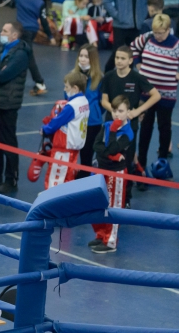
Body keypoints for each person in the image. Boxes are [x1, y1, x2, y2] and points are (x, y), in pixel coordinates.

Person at [99, 46, 161, 194]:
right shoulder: (109, 76)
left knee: (127, 159)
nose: (119, 61)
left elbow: (156, 95)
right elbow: (104, 100)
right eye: (117, 58)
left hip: (129, 125)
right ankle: (105, 193)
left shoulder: (137, 77)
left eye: (123, 58)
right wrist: (116, 112)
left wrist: (138, 111)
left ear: (130, 61)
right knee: (108, 156)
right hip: (111, 124)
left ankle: (126, 196)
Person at [131, 14, 179, 176]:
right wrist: (137, 63)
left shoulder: (175, 44)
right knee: (145, 128)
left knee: (164, 128)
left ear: (168, 30)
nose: (157, 36)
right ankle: (141, 165)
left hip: (166, 94)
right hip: (147, 94)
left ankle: (162, 164)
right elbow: (133, 47)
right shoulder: (147, 37)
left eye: (161, 33)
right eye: (156, 32)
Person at [0, 21, 31, 194]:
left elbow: (3, 75)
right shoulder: (0, 48)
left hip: (8, 103)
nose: (1, 33)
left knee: (8, 142)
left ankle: (11, 179)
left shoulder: (20, 55)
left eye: (5, 31)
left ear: (14, 35)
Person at [89, 96, 134, 254]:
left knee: (114, 206)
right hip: (101, 170)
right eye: (114, 110)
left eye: (121, 111)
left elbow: (114, 147)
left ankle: (111, 241)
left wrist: (114, 130)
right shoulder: (106, 125)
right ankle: (101, 234)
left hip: (117, 173)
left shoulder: (128, 133)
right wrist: (112, 155)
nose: (117, 114)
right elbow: (96, 146)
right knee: (98, 203)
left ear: (128, 112)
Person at [35, 71, 90, 189]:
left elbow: (57, 121)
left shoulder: (72, 106)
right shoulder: (84, 101)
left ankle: (51, 199)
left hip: (64, 147)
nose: (65, 89)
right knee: (68, 177)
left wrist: (45, 129)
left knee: (55, 178)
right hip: (75, 146)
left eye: (67, 87)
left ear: (75, 88)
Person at [102, 0, 150, 69]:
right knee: (117, 52)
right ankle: (107, 73)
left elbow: (147, 2)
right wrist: (116, 15)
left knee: (133, 53)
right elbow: (106, 0)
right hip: (120, 25)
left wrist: (143, 17)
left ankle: (129, 75)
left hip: (137, 25)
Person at [14, 0, 54, 95]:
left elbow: (11, 4)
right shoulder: (40, 2)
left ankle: (39, 82)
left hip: (21, 30)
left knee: (28, 56)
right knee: (21, 53)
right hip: (32, 31)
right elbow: (43, 21)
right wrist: (50, 36)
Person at [75, 44, 105, 177]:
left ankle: (85, 178)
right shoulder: (73, 76)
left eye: (86, 57)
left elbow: (102, 101)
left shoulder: (99, 79)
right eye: (81, 56)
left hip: (92, 123)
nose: (82, 59)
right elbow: (67, 96)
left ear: (92, 59)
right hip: (76, 121)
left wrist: (95, 111)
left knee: (87, 154)